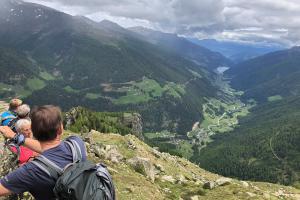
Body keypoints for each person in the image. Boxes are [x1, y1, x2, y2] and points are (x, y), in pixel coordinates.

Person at [0, 105, 87, 200]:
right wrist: (16, 137)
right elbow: (52, 148)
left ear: (34, 132)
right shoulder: (77, 143)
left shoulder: (31, 171)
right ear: (60, 129)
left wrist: (15, 136)